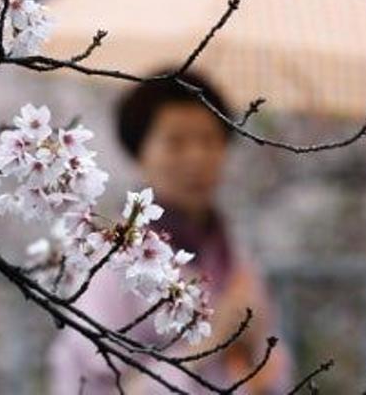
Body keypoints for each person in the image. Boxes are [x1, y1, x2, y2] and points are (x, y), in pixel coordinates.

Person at [48, 71, 291, 394]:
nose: (197, 157)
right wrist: (212, 339)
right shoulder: (110, 262)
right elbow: (97, 383)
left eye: (209, 140)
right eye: (175, 142)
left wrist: (257, 356)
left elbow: (273, 370)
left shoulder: (238, 257)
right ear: (140, 153)